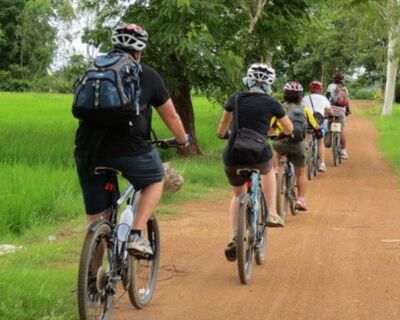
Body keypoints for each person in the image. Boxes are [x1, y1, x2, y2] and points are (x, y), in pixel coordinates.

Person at [74, 23, 190, 257]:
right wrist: (182, 140)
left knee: (97, 220)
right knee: (155, 178)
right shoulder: (146, 74)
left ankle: (91, 283)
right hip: (130, 149)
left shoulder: (94, 70)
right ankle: (136, 234)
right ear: (139, 51)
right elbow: (171, 116)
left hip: (89, 150)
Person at [216, 63, 293, 262]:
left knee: (237, 194)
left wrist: (222, 134)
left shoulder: (235, 98)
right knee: (267, 171)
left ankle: (235, 234)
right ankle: (272, 213)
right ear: (269, 84)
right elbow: (289, 128)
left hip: (233, 153)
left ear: (248, 80)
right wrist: (282, 134)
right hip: (258, 152)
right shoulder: (272, 103)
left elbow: (223, 124)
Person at [272, 81, 320, 211]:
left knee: (275, 146)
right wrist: (315, 131)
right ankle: (300, 199)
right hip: (298, 144)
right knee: (301, 173)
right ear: (300, 96)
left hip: (281, 143)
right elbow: (315, 126)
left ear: (285, 94)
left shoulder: (279, 108)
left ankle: (276, 169)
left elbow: (271, 126)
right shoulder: (304, 110)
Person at [302, 80, 333, 172]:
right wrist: (330, 115)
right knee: (320, 142)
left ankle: (304, 160)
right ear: (321, 89)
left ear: (310, 89)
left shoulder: (305, 98)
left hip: (308, 122)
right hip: (320, 122)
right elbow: (329, 111)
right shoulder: (324, 99)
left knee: (307, 139)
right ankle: (322, 164)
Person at [326, 71, 351, 159]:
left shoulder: (330, 86)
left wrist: (326, 109)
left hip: (331, 110)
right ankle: (343, 151)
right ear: (342, 80)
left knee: (329, 126)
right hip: (341, 111)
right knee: (342, 130)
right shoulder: (345, 88)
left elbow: (327, 98)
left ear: (334, 79)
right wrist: (348, 111)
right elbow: (347, 101)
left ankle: (328, 142)